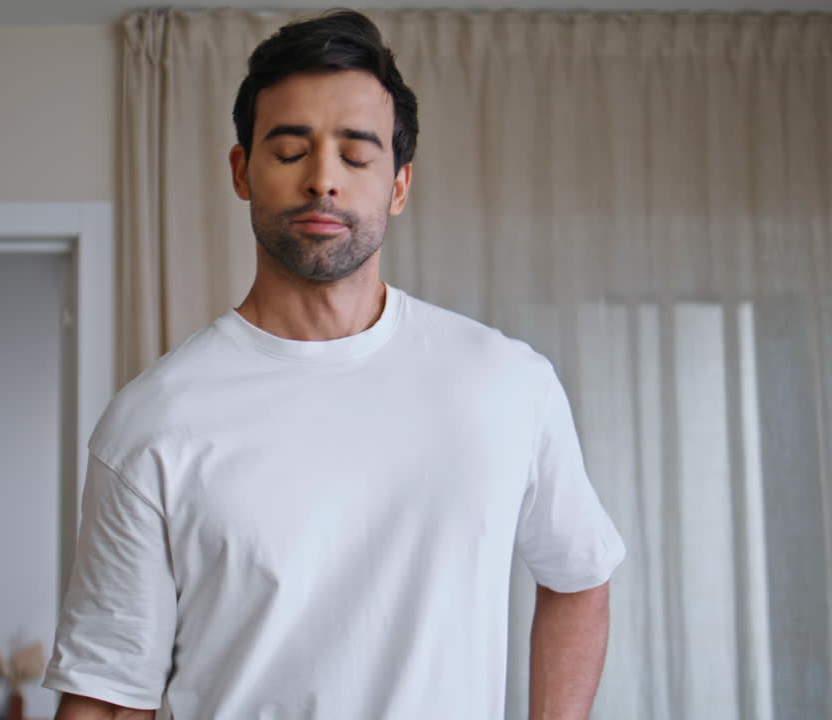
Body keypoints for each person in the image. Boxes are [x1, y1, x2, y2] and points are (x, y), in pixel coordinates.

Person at [43, 10, 624, 720]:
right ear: (242, 171)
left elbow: (580, 575)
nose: (323, 180)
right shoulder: (152, 423)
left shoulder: (508, 384)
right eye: (290, 151)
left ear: (399, 185)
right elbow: (107, 696)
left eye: (356, 155)